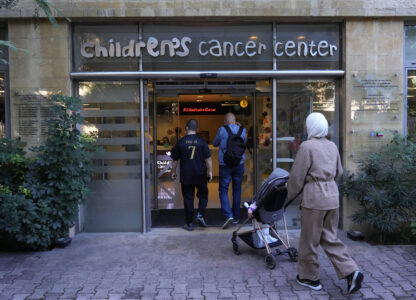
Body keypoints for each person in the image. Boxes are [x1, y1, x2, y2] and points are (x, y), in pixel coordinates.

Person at [286, 112, 364, 294]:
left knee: (309, 240)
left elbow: (297, 177)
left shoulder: (306, 147)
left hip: (314, 198)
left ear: (310, 126)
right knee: (329, 236)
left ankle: (309, 277)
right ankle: (351, 270)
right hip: (332, 196)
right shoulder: (332, 146)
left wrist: (289, 194)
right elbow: (339, 172)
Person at [170, 119, 213, 231]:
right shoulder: (202, 141)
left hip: (186, 174)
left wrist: (173, 172)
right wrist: (210, 171)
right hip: (200, 174)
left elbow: (175, 160)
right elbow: (208, 158)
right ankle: (200, 214)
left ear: (186, 128)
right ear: (197, 129)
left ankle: (189, 224)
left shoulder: (181, 141)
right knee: (203, 194)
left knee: (188, 199)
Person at [213, 112, 246, 229]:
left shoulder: (222, 129)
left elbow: (215, 143)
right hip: (239, 163)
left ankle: (228, 215)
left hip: (225, 164)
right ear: (235, 120)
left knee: (223, 190)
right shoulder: (243, 130)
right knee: (237, 190)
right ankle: (236, 217)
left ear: (226, 121)